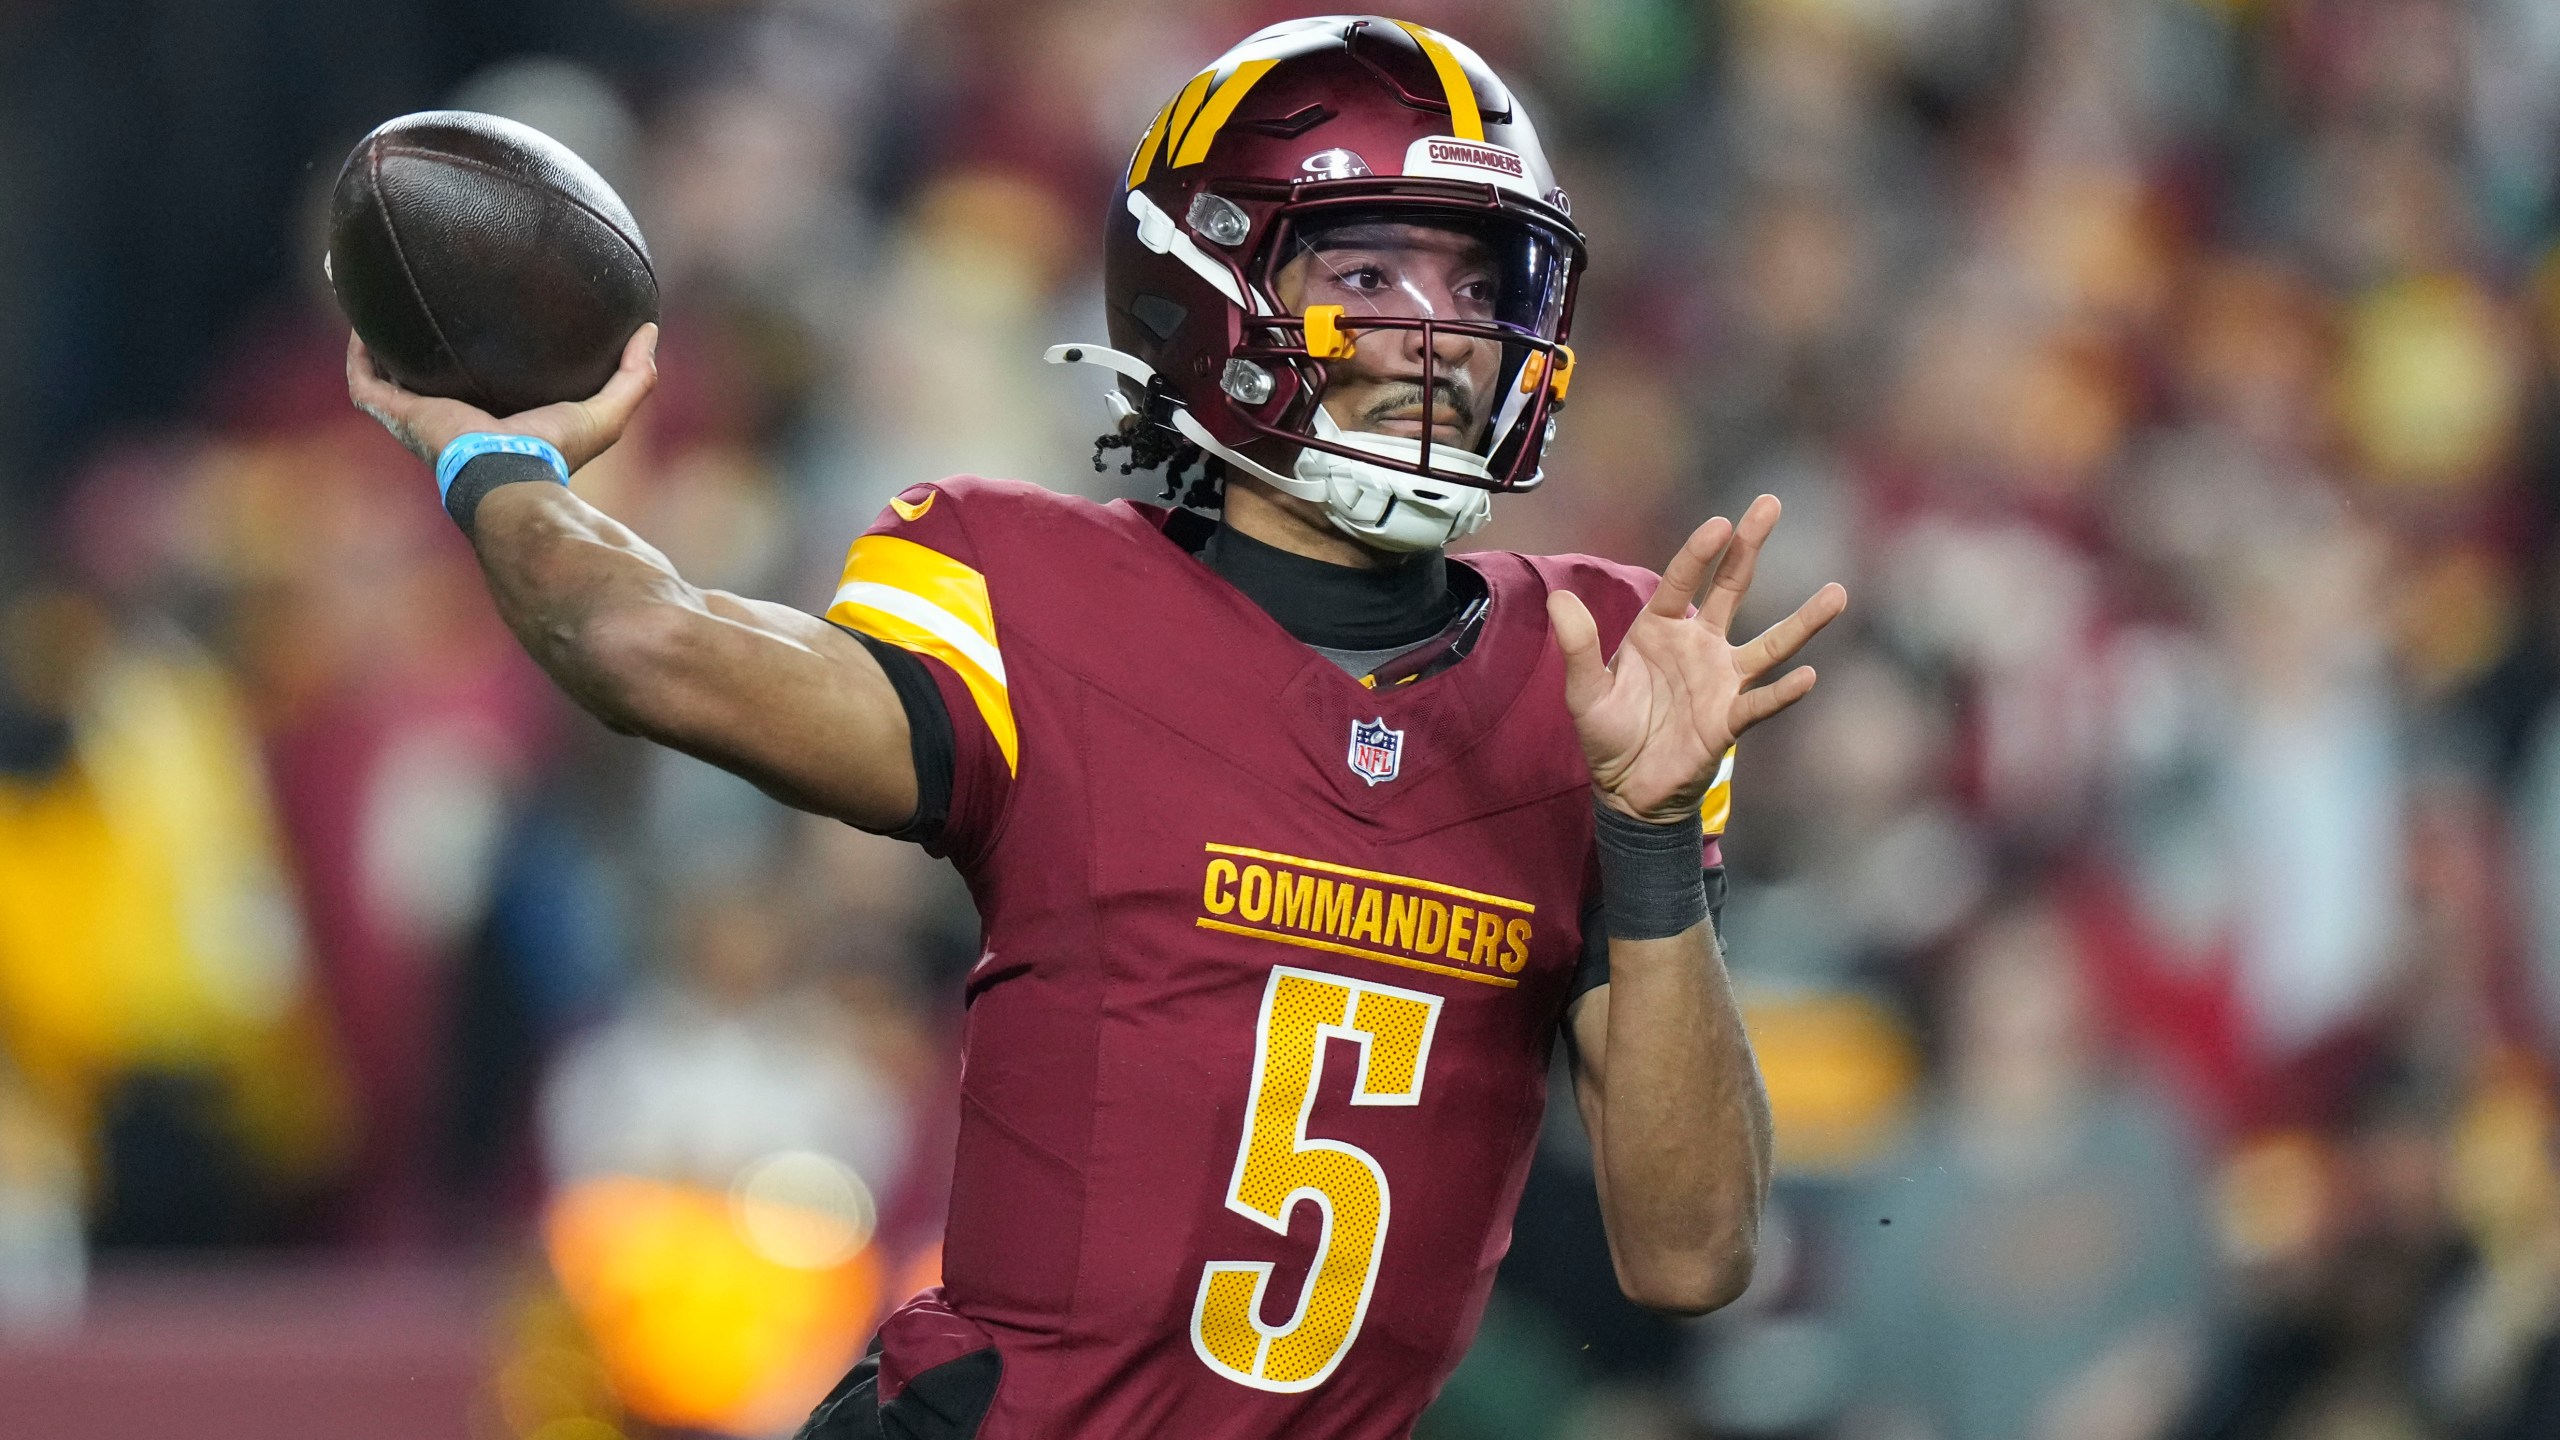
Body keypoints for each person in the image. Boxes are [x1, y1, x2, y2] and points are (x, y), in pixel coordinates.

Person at [347, 16, 1846, 1439]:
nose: (1440, 335)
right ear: (1208, 282)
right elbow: (639, 641)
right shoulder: (1036, 597)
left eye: (1480, 283)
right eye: (1373, 273)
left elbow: (1693, 1252)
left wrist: (1648, 839)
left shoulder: (1584, 671)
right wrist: (496, 462)